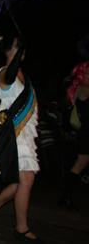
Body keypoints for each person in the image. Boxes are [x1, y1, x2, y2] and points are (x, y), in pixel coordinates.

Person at [0, 36, 42, 243]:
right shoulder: (4, 73)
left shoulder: (24, 75)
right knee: (26, 179)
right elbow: (9, 77)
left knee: (20, 182)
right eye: (18, 46)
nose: (22, 49)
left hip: (25, 133)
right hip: (14, 133)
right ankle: (21, 228)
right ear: (7, 50)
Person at [59, 61, 89, 211]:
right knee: (79, 165)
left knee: (80, 165)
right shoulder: (84, 89)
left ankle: (66, 196)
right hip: (87, 132)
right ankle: (66, 196)